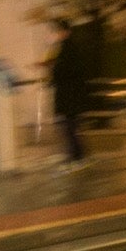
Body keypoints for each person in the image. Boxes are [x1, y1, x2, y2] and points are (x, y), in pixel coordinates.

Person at [48, 11, 102, 165]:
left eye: (58, 31)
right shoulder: (68, 47)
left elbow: (67, 71)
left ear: (65, 32)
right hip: (71, 95)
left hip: (69, 95)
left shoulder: (68, 48)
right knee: (71, 127)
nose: (56, 34)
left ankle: (77, 155)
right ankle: (78, 154)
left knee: (69, 127)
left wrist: (54, 73)